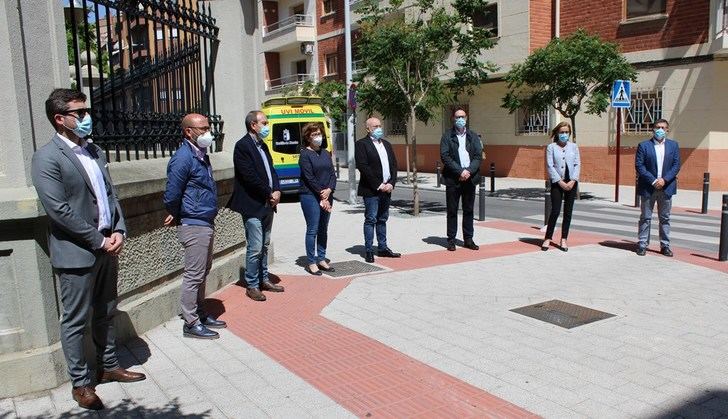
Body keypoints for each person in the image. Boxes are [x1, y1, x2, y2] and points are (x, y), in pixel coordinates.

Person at [31, 89, 145, 411]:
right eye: (79, 112)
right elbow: (58, 210)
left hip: (108, 247)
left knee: (106, 311)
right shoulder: (47, 158)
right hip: (78, 253)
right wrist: (98, 239)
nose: (86, 117)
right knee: (76, 321)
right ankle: (81, 384)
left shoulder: (94, 151)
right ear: (60, 118)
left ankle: (109, 366)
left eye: (86, 110)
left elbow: (111, 196)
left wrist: (119, 229)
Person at [163, 114, 227, 339]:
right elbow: (172, 193)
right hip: (193, 222)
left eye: (209, 127)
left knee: (203, 271)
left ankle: (200, 312)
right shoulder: (183, 157)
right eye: (203, 128)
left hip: (205, 220)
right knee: (194, 274)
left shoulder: (200, 155)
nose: (208, 132)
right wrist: (176, 212)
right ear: (188, 132)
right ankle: (190, 322)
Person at [227, 110, 285, 301]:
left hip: (268, 203)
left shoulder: (263, 146)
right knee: (255, 247)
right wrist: (269, 193)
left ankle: (264, 278)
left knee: (265, 245)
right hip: (253, 204)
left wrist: (277, 190)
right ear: (253, 125)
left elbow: (272, 171)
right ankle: (252, 285)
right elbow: (249, 176)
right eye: (264, 123)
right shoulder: (242, 146)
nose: (267, 127)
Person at [355, 117, 400, 263]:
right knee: (371, 219)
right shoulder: (361, 144)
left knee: (382, 219)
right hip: (372, 189)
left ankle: (383, 247)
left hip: (387, 188)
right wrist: (379, 184)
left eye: (380, 126)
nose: (379, 128)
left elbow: (393, 165)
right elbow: (363, 167)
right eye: (375, 126)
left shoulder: (386, 144)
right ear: (368, 129)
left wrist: (392, 183)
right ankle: (368, 250)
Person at [635, 119, 681, 257]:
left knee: (665, 218)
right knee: (645, 217)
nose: (660, 130)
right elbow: (639, 166)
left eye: (663, 127)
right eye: (658, 127)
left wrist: (664, 180)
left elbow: (676, 165)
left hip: (666, 187)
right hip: (648, 187)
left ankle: (665, 245)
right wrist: (654, 181)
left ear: (667, 130)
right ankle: (642, 244)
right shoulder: (644, 146)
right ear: (653, 129)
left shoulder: (673, 146)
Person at [439, 108, 483, 251]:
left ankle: (468, 239)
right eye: (457, 117)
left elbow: (478, 155)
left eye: (462, 116)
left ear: (467, 118)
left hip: (470, 178)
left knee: (468, 210)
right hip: (453, 178)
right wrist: (460, 171)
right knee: (452, 211)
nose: (460, 119)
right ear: (453, 118)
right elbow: (445, 156)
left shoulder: (473, 136)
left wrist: (469, 171)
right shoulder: (447, 136)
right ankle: (451, 240)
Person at [298, 122, 337, 275]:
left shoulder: (326, 153)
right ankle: (311, 261)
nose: (318, 137)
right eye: (314, 135)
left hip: (326, 194)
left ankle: (321, 258)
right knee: (313, 228)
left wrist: (329, 190)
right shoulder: (305, 154)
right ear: (308, 137)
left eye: (319, 133)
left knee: (323, 228)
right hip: (310, 195)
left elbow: (332, 174)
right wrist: (323, 194)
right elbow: (309, 177)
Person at [542, 122, 580, 252]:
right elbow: (549, 166)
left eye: (566, 132)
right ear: (557, 133)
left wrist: (573, 180)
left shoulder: (574, 147)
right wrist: (559, 181)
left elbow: (577, 164)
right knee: (555, 211)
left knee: (568, 212)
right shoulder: (551, 147)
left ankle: (564, 238)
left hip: (571, 183)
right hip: (557, 183)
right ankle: (548, 237)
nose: (564, 135)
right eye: (562, 132)